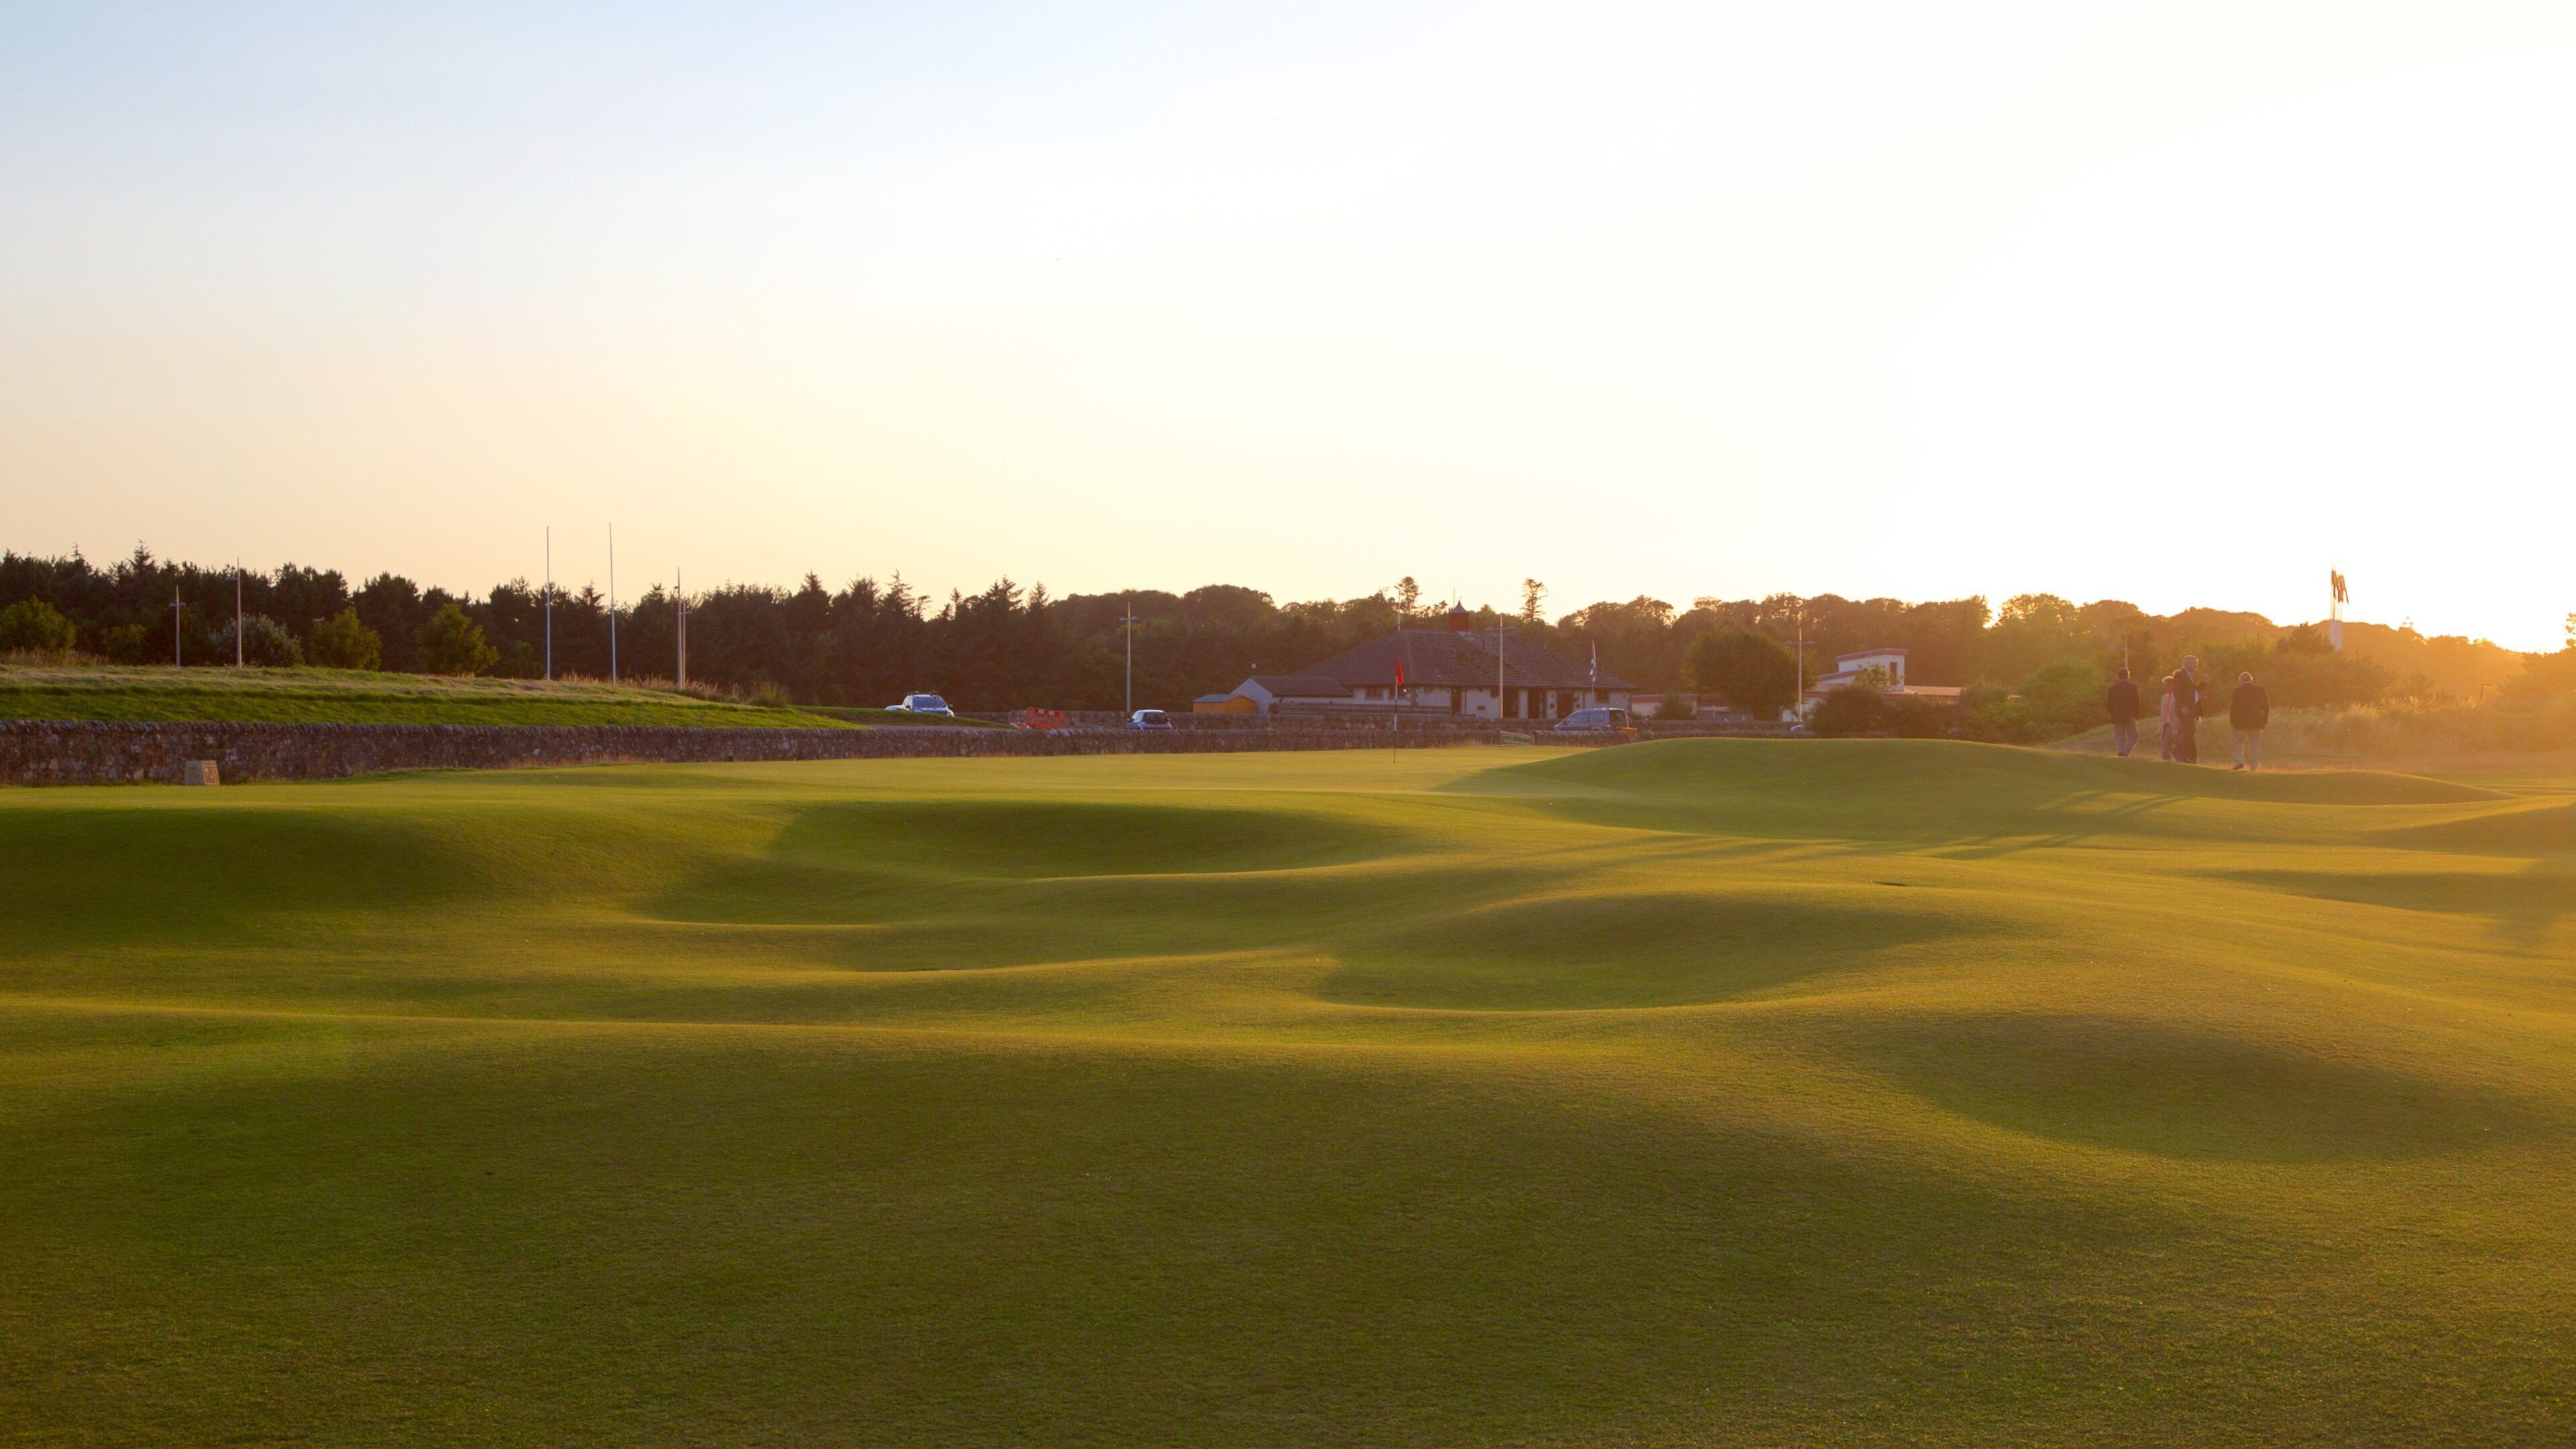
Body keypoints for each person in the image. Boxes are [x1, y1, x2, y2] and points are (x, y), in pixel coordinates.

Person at [2231, 669, 2270, 771]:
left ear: (2241, 681)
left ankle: (2239, 761)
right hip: (2256, 722)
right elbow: (2266, 706)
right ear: (2251, 679)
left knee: (2238, 743)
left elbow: (2233, 708)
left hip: (2240, 723)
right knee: (2255, 745)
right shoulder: (2260, 690)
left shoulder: (2237, 691)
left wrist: (2233, 721)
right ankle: (2254, 767)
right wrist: (2265, 720)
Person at [2105, 667, 2141, 757]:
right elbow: (2136, 702)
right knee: (2133, 735)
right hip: (2129, 714)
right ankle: (2125, 752)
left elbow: (2109, 703)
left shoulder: (2113, 688)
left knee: (2120, 735)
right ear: (2127, 676)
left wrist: (2113, 713)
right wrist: (2136, 714)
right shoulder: (2132, 687)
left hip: (2117, 715)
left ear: (2119, 676)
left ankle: (2120, 751)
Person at [2173, 655, 2202, 763]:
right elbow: (2178, 692)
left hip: (2191, 708)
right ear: (2188, 664)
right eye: (2195, 664)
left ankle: (2183, 755)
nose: (2196, 667)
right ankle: (2178, 750)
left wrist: (2204, 684)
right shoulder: (2180, 675)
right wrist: (2182, 706)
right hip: (2185, 708)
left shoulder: (2191, 676)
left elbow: (2194, 691)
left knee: (2187, 731)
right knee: (2190, 730)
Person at [2158, 672, 2180, 761]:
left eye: (2167, 686)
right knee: (2165, 749)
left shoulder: (2178, 697)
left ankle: (2181, 763)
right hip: (2166, 727)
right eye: (2164, 686)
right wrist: (2160, 728)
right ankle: (2166, 764)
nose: (2165, 688)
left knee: (2179, 748)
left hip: (2176, 726)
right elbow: (2162, 714)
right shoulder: (2164, 698)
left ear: (2173, 685)